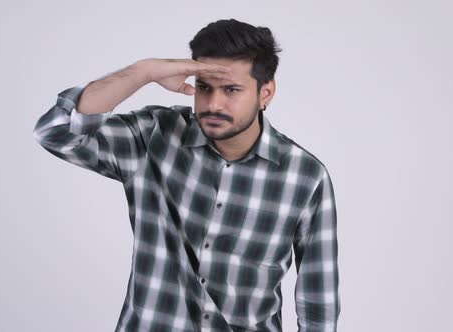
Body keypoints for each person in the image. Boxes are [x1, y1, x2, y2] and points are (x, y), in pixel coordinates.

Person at [33, 18, 340, 332]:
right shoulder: (154, 137)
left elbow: (318, 303)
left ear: (266, 93)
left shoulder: (306, 177)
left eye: (231, 90)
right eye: (204, 87)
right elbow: (56, 132)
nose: (213, 103)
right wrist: (144, 72)